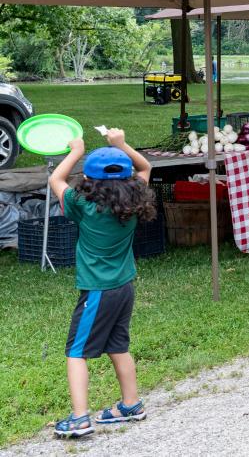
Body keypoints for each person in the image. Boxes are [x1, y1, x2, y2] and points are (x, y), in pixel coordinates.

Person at [49, 130, 155, 438]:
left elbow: (56, 180)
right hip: (124, 288)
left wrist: (74, 151)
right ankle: (131, 405)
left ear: (88, 179)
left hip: (98, 291)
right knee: (117, 345)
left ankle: (81, 419)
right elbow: (146, 167)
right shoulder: (135, 199)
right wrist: (121, 144)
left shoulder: (82, 204)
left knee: (76, 351)